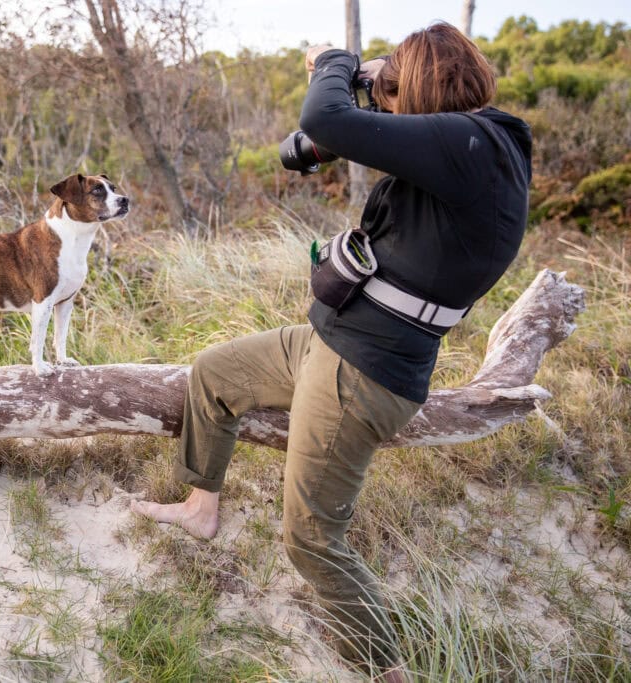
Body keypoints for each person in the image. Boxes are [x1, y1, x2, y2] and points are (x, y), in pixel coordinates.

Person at [131, 22, 532, 680]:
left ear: (426, 86)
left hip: (362, 372)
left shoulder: (472, 146)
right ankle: (202, 506)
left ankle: (384, 670)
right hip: (332, 341)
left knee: (312, 538)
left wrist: (336, 62)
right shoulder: (468, 148)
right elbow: (311, 145)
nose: (392, 106)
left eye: (400, 92)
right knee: (214, 373)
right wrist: (377, 78)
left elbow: (323, 114)